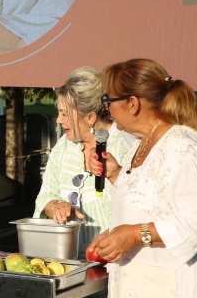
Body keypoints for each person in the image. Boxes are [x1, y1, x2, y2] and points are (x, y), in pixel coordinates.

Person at [87, 58, 197, 297]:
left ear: (132, 103)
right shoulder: (146, 141)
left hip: (189, 286)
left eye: (108, 100)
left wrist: (133, 234)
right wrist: (116, 174)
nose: (106, 108)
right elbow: (153, 199)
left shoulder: (184, 147)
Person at [33, 67, 137, 256]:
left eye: (65, 114)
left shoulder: (125, 145)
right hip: (69, 259)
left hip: (117, 260)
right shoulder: (64, 146)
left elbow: (140, 205)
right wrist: (56, 205)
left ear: (90, 118)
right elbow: (45, 195)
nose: (58, 120)